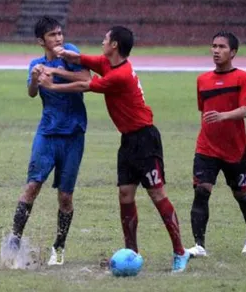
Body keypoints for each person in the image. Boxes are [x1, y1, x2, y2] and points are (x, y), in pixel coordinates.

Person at [38, 26, 191, 273]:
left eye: (105, 39)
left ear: (115, 45)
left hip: (145, 139)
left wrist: (52, 83)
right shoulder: (107, 62)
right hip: (128, 141)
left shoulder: (121, 75)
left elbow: (85, 85)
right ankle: (132, 253)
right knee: (125, 196)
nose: (102, 42)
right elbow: (78, 59)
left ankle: (180, 252)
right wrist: (59, 54)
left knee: (157, 195)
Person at [6, 16, 90, 266]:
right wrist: (34, 78)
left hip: (73, 135)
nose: (59, 39)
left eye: (60, 33)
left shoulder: (71, 53)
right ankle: (14, 240)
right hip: (47, 133)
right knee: (32, 186)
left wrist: (54, 72)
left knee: (65, 197)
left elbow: (87, 81)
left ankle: (59, 247)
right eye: (53, 35)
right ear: (41, 41)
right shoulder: (36, 63)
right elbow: (32, 93)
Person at [187, 31, 246, 258]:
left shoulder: (243, 78)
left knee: (241, 195)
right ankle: (199, 245)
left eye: (222, 47)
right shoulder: (202, 80)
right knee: (201, 190)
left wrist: (223, 116)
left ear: (233, 52)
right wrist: (215, 119)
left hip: (235, 150)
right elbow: (204, 110)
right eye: (213, 46)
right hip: (206, 147)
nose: (216, 50)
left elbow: (245, 110)